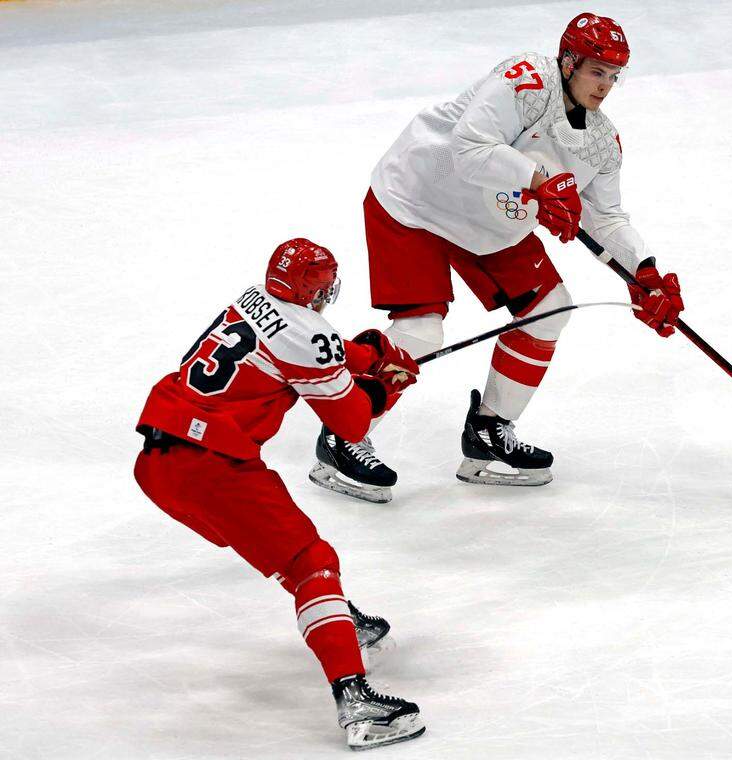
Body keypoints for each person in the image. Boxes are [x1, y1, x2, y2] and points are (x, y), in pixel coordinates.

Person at [310, 12, 685, 500]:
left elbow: (606, 218)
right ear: (568, 61)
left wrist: (645, 272)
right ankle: (343, 434)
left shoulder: (601, 142)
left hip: (489, 223)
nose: (606, 86)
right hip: (417, 200)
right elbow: (469, 148)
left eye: (615, 76)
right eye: (597, 71)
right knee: (419, 333)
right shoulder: (525, 79)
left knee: (549, 311)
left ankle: (488, 431)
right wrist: (539, 181)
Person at [133, 238, 425, 750]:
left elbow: (311, 348)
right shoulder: (309, 336)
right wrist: (388, 386)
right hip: (211, 468)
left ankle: (338, 621)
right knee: (313, 562)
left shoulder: (253, 299)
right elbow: (351, 423)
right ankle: (356, 702)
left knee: (285, 552)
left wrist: (369, 354)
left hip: (159, 458)